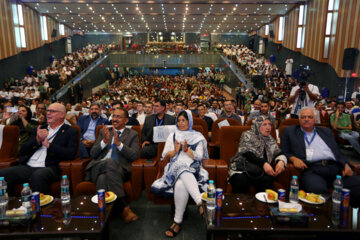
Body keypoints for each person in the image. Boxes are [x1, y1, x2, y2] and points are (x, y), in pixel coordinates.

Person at [280, 107, 360, 207]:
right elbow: (283, 150)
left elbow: (337, 151)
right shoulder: (290, 131)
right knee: (318, 194)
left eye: (310, 117)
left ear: (315, 119)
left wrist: (345, 164)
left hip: (336, 168)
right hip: (313, 169)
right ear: (299, 119)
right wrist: (293, 158)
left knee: (358, 187)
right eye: (303, 117)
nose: (306, 119)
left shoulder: (325, 131)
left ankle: (349, 218)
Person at [150, 110, 209, 237]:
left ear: (189, 121)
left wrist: (187, 150)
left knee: (181, 184)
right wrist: (175, 151)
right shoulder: (172, 135)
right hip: (174, 167)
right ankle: (200, 202)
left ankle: (177, 222)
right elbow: (164, 155)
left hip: (193, 168)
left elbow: (200, 157)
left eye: (184, 120)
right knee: (180, 166)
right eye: (179, 121)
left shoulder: (198, 136)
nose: (181, 123)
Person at [0, 103, 78, 194]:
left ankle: (39, 207)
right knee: (3, 174)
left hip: (49, 167)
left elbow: (70, 153)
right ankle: (7, 205)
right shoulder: (39, 129)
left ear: (62, 115)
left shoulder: (71, 131)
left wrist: (49, 145)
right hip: (28, 166)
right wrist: (37, 140)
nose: (48, 113)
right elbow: (23, 150)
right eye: (47, 111)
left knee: (38, 175)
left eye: (52, 111)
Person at [86, 108, 139, 223]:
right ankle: (123, 207)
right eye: (113, 116)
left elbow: (134, 155)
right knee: (109, 162)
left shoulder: (133, 134)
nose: (114, 119)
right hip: (97, 167)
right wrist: (104, 141)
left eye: (118, 117)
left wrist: (119, 144)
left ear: (126, 120)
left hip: (119, 170)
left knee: (103, 178)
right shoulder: (104, 131)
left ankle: (104, 213)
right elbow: (93, 153)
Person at [228, 116, 287, 193]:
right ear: (257, 125)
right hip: (242, 168)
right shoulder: (247, 135)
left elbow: (278, 153)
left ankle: (264, 204)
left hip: (260, 170)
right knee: (240, 179)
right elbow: (247, 153)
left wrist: (281, 161)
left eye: (270, 124)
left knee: (267, 180)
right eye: (264, 124)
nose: (268, 127)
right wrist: (264, 163)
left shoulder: (270, 139)